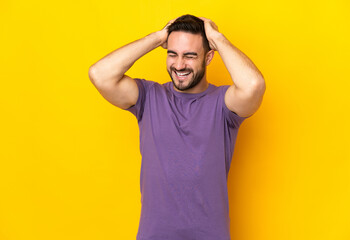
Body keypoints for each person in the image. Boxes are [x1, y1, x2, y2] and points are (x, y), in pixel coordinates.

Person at [88, 14, 265, 240]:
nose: (179, 65)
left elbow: (254, 85)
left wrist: (217, 39)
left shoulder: (223, 105)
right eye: (173, 54)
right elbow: (99, 74)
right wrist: (157, 38)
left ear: (209, 57)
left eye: (190, 56)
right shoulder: (149, 97)